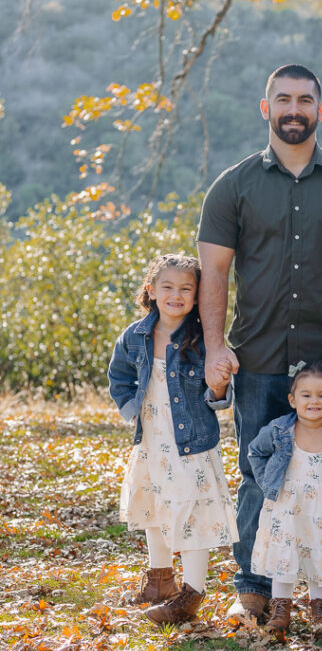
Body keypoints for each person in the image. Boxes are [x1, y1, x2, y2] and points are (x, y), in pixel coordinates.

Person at [197, 64, 322, 626]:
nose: (294, 109)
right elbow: (214, 275)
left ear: (321, 111)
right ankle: (253, 588)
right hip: (258, 358)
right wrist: (213, 347)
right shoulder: (232, 186)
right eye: (283, 99)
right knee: (259, 475)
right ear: (266, 108)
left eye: (305, 100)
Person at [108, 253, 238, 625]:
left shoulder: (203, 339)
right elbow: (119, 377)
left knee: (192, 514)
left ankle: (191, 594)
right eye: (167, 287)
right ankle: (160, 580)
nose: (176, 295)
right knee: (154, 507)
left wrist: (220, 387)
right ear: (151, 290)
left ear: (198, 297)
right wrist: (132, 411)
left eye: (186, 288)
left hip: (191, 443)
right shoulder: (134, 336)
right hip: (152, 440)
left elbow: (219, 392)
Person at [248, 363, 322, 635]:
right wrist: (268, 484)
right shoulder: (279, 431)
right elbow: (255, 452)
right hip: (286, 507)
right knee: (284, 556)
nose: (314, 401)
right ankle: (280, 610)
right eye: (306, 395)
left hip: (321, 509)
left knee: (320, 554)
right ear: (293, 399)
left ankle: (320, 610)